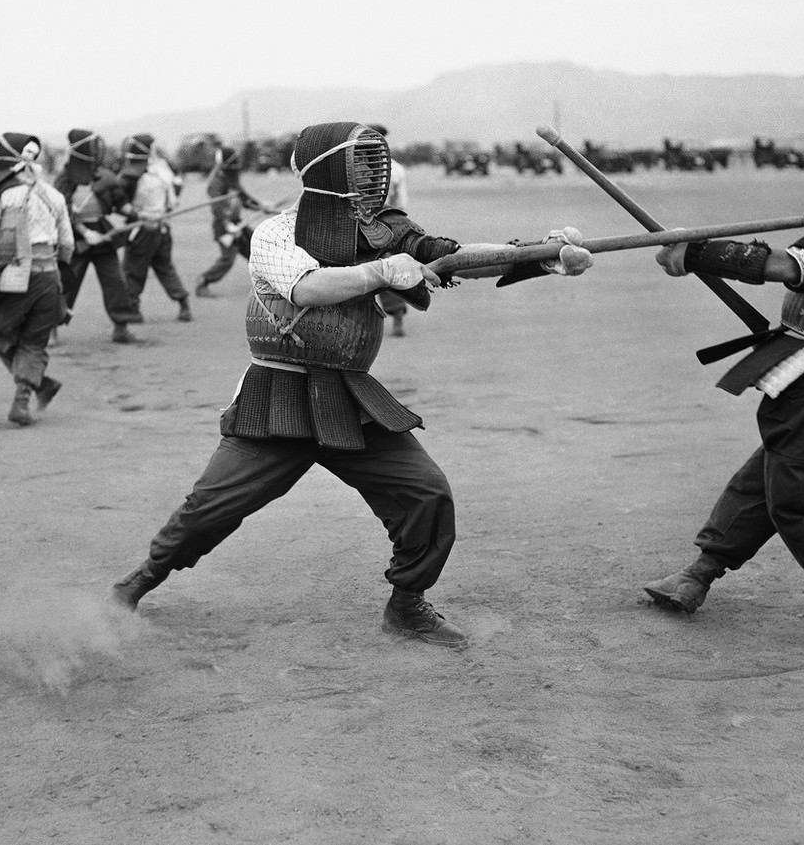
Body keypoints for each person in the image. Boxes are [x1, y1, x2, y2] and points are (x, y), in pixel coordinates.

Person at [110, 122, 592, 648]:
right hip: (276, 396)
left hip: (348, 396)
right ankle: (138, 583)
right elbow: (308, 289)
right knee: (209, 509)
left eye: (374, 160)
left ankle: (407, 606)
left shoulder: (386, 228)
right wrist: (381, 273)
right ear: (323, 169)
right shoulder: (276, 233)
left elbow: (448, 255)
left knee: (426, 495)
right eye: (358, 161)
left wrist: (541, 255)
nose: (371, 173)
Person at [643, 100, 804, 647]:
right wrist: (703, 249)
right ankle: (700, 574)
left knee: (795, 498)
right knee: (764, 478)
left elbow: (790, 266)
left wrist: (703, 254)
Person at [0, 133, 74, 426]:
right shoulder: (55, 196)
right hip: (50, 277)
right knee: (34, 342)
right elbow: (67, 246)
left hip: (14, 276)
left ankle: (34, 384)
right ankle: (27, 393)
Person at [53, 129, 142, 344]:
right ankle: (50, 329)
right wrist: (84, 232)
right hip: (74, 238)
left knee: (116, 282)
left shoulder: (104, 176)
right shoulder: (64, 180)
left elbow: (120, 203)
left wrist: (139, 214)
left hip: (102, 236)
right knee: (67, 283)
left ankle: (121, 326)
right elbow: (61, 211)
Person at [116, 134, 192, 323]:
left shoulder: (134, 174)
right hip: (163, 227)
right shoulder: (164, 170)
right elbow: (173, 199)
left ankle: (133, 308)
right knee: (165, 268)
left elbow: (120, 201)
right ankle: (183, 303)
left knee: (133, 270)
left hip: (142, 230)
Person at [194, 144, 264, 298]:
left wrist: (261, 206)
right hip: (224, 226)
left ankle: (266, 284)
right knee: (227, 259)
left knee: (256, 250)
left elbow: (244, 198)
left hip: (237, 222)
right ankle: (204, 281)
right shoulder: (217, 182)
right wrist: (227, 224)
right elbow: (216, 206)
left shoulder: (232, 178)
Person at [369, 124, 411, 337]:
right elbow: (401, 205)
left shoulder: (351, 167)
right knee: (388, 270)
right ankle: (397, 317)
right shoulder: (395, 168)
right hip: (385, 225)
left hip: (363, 226)